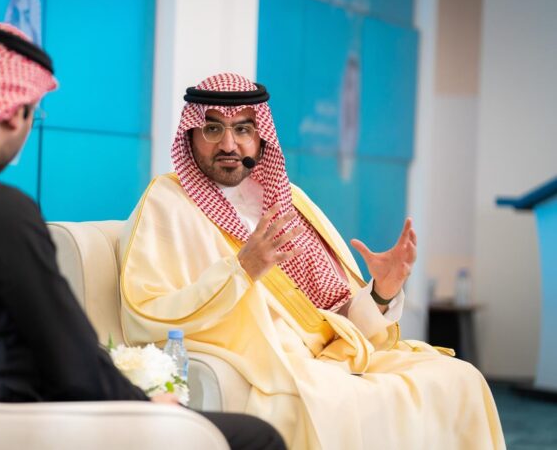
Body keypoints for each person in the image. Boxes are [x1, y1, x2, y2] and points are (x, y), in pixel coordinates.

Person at [0, 24, 285, 450]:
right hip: (1, 420)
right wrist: (147, 406)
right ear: (13, 114)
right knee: (259, 438)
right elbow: (72, 363)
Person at [119, 73, 505, 449]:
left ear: (261, 137)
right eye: (213, 129)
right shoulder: (168, 203)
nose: (229, 144)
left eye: (243, 129)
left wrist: (382, 292)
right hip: (269, 363)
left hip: (331, 355)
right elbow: (145, 313)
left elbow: (333, 315)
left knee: (460, 378)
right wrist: (242, 270)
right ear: (190, 135)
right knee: (336, 401)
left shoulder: (288, 200)